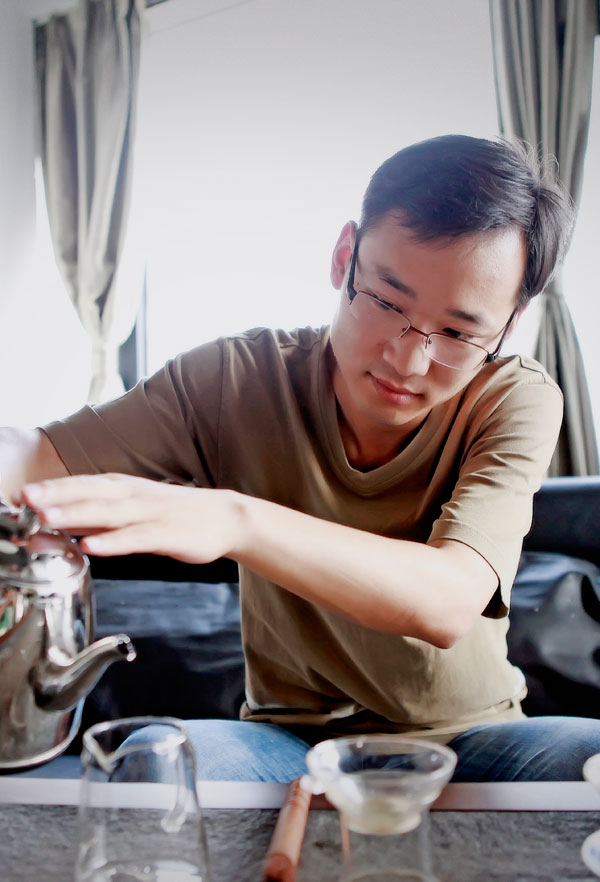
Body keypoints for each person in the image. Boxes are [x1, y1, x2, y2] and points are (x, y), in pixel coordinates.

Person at [3, 134, 600, 782]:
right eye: (387, 302)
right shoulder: (236, 380)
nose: (407, 360)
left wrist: (235, 521)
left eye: (458, 333)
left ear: (509, 325)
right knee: (155, 763)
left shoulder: (515, 399)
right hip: (288, 745)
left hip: (475, 743)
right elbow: (35, 456)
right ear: (345, 257)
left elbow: (449, 599)